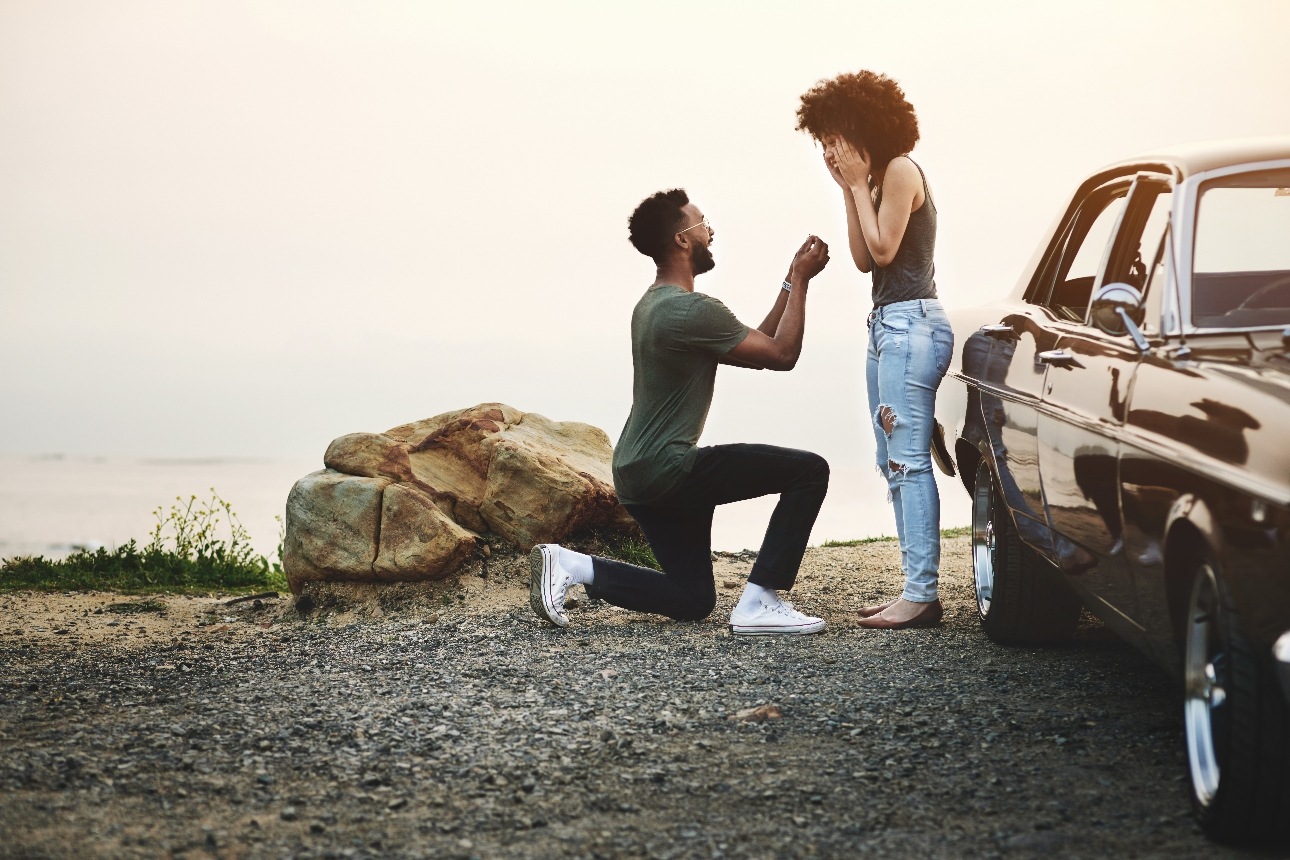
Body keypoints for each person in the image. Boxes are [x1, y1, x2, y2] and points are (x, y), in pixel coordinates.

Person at [529, 188, 832, 635]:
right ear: (684, 240)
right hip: (668, 469)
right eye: (703, 222)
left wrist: (790, 279)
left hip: (637, 474)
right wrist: (805, 282)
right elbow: (783, 354)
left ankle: (574, 566)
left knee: (693, 599)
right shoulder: (691, 311)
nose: (711, 230)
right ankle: (761, 600)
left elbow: (758, 345)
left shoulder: (653, 305)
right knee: (809, 472)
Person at [796, 71, 954, 630]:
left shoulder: (901, 171)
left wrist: (860, 184)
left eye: (834, 137)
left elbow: (886, 251)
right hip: (886, 326)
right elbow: (862, 259)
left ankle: (922, 595)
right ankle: (914, 589)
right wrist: (848, 189)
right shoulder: (875, 181)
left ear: (863, 125)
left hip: (913, 325)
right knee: (892, 462)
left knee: (908, 461)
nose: (830, 149)